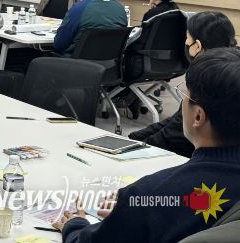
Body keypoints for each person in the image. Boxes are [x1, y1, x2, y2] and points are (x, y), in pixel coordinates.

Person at [53, 47, 240, 243]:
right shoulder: (152, 199)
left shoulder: (152, 192)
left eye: (186, 94)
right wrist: (130, 216)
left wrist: (74, 225)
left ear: (198, 116)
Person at [128, 11, 237, 157]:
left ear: (197, 46)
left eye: (187, 38)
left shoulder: (207, 78)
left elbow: (174, 135)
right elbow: (177, 120)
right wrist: (134, 138)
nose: (185, 43)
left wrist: (133, 148)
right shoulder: (230, 67)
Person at [124, 0, 180, 80]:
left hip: (146, 64)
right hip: (173, 64)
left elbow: (141, 41)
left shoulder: (152, 14)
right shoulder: (177, 12)